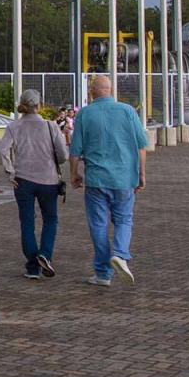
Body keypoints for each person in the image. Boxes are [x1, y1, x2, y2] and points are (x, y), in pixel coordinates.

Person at [70, 73, 150, 286]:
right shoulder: (128, 111)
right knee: (124, 219)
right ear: (111, 90)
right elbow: (142, 147)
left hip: (96, 179)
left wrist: (74, 174)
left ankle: (103, 273)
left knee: (98, 224)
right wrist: (141, 174)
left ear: (92, 92)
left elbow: (75, 150)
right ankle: (121, 254)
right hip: (125, 177)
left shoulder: (85, 114)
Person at [0, 89, 70, 280]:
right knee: (50, 219)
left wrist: (10, 171)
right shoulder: (51, 126)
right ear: (39, 105)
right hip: (48, 180)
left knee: (27, 221)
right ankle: (44, 254)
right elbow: (62, 155)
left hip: (22, 180)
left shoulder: (14, 126)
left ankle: (32, 265)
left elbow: (3, 149)